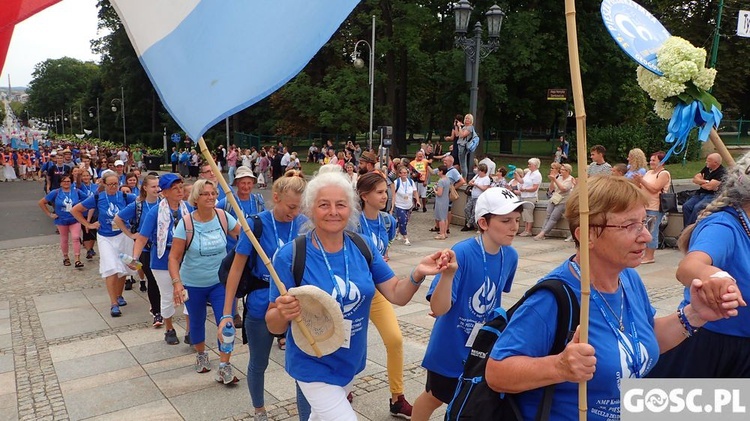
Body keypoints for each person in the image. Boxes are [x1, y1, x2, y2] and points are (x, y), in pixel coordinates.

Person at [484, 176, 743, 421]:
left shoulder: (628, 279)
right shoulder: (554, 298)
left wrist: (694, 315)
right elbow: (497, 373)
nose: (645, 236)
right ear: (588, 234)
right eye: (631, 225)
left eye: (645, 223)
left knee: (732, 405)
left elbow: (646, 336)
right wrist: (558, 367)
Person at [265, 165, 453, 420]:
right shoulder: (290, 255)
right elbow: (273, 324)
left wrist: (417, 273)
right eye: (324, 205)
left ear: (351, 208)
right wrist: (283, 313)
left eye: (341, 204)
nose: (333, 212)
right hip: (312, 363)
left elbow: (397, 294)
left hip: (350, 360)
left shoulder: (362, 246)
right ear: (310, 209)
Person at [412, 187, 531, 421]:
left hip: (482, 344)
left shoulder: (511, 256)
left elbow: (496, 294)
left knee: (472, 399)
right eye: (506, 220)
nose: (514, 226)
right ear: (484, 223)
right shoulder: (462, 252)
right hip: (450, 344)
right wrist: (447, 277)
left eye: (517, 220)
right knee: (434, 396)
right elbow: (438, 309)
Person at [648, 150, 750, 377]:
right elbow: (689, 267)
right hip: (713, 349)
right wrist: (716, 277)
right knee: (690, 413)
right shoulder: (724, 226)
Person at [220, 170, 308, 421]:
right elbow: (236, 269)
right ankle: (259, 410)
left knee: (302, 367)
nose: (295, 211)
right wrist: (227, 312)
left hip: (296, 306)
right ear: (276, 197)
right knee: (259, 363)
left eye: (299, 207)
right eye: (291, 206)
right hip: (261, 305)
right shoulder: (256, 224)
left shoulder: (302, 224)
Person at [351, 172, 414, 416]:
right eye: (379, 192)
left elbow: (384, 250)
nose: (385, 196)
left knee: (395, 339)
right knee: (352, 345)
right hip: (353, 291)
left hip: (377, 291)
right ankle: (343, 388)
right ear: (364, 196)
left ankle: (397, 398)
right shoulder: (352, 222)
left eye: (385, 191)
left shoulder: (388, 221)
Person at [169, 179, 241, 382]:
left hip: (221, 282)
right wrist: (177, 283)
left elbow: (243, 236)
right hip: (193, 282)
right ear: (196, 198)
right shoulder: (186, 223)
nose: (211, 197)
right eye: (206, 194)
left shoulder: (223, 216)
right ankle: (201, 355)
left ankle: (225, 365)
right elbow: (174, 257)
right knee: (197, 321)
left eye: (213, 193)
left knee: (225, 323)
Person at [71, 171, 137, 317]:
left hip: (123, 235)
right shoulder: (97, 197)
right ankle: (113, 303)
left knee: (123, 267)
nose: (114, 187)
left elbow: (142, 201)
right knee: (111, 267)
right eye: (110, 184)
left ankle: (119, 296)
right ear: (104, 184)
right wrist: (88, 224)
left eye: (116, 184)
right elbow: (75, 210)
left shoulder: (126, 196)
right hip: (105, 237)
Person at [116, 175, 162, 325]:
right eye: (153, 186)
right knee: (153, 279)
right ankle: (157, 311)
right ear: (145, 188)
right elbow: (118, 219)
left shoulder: (163, 203)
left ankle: (160, 305)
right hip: (146, 249)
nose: (157, 189)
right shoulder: (138, 205)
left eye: (158, 186)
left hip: (162, 247)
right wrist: (130, 234)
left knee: (162, 280)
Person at [39, 174, 87, 268]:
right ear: (60, 183)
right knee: (64, 239)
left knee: (76, 237)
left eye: (68, 181)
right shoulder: (55, 192)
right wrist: (50, 214)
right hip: (61, 219)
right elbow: (41, 202)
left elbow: (87, 201)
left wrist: (81, 210)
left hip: (74, 219)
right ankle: (66, 257)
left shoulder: (76, 191)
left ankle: (77, 259)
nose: (66, 183)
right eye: (64, 181)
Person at [632, 151, 671, 264]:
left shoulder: (664, 174)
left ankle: (650, 256)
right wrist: (637, 181)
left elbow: (654, 189)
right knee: (643, 229)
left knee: (652, 230)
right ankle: (644, 253)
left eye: (654, 160)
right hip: (644, 204)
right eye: (651, 160)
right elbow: (641, 186)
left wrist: (641, 180)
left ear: (661, 162)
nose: (651, 162)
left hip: (655, 206)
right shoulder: (649, 172)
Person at [217, 166, 265, 252]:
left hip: (252, 250)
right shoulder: (227, 203)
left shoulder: (258, 202)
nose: (246, 186)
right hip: (230, 251)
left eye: (249, 183)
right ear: (237, 183)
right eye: (243, 183)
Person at [682, 152, 726, 227]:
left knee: (697, 208)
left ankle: (689, 229)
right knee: (686, 206)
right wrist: (705, 182)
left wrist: (701, 182)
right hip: (700, 194)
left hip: (711, 195)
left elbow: (710, 187)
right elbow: (695, 179)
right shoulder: (707, 168)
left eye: (708, 160)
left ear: (715, 163)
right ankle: (687, 227)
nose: (706, 162)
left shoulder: (722, 172)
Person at [535, 163, 575, 241]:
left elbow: (563, 189)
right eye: (561, 169)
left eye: (563, 170)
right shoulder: (559, 177)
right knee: (548, 215)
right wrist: (552, 181)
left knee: (553, 217)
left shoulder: (570, 179)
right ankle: (542, 232)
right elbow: (551, 189)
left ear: (568, 171)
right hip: (554, 198)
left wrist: (555, 180)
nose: (561, 171)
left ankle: (543, 233)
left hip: (563, 201)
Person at [393, 165, 421, 246]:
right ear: (399, 174)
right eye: (403, 173)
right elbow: (393, 194)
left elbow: (415, 192)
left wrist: (418, 201)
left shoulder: (411, 182)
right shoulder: (396, 182)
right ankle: (406, 238)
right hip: (399, 205)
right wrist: (392, 205)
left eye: (406, 173)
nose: (405, 174)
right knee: (402, 221)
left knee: (405, 221)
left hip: (409, 205)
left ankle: (397, 232)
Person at [461, 163, 492, 231]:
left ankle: (469, 224)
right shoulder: (477, 176)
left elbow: (484, 188)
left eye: (479, 170)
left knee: (474, 211)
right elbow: (470, 182)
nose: (478, 172)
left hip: (479, 197)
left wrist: (476, 184)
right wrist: (471, 183)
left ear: (482, 171)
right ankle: (471, 223)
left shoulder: (486, 178)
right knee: (467, 209)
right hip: (473, 195)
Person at [517, 158, 542, 237]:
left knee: (528, 213)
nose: (528, 166)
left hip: (530, 196)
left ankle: (529, 230)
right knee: (525, 214)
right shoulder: (528, 173)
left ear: (535, 165)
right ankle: (525, 229)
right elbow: (522, 181)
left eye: (530, 164)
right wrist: (516, 175)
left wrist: (525, 189)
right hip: (524, 195)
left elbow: (535, 188)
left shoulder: (537, 175)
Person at [456, 114, 476, 180]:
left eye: (468, 119)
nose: (467, 120)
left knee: (463, 163)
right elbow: (457, 135)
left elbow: (462, 135)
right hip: (460, 145)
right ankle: (463, 177)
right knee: (461, 162)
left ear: (471, 120)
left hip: (463, 146)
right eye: (466, 118)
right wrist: (458, 126)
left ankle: (464, 178)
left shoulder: (470, 127)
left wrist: (459, 127)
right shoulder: (465, 127)